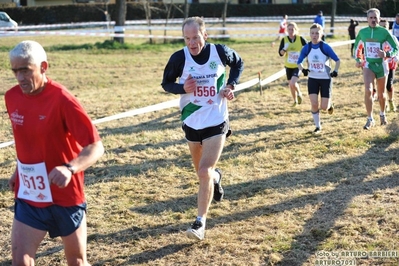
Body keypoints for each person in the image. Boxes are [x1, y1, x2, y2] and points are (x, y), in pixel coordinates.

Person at [6, 40, 104, 265]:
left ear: (43, 67)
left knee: (77, 262)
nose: (20, 78)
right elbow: (27, 140)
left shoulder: (62, 99)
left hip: (64, 194)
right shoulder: (11, 97)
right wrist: (18, 170)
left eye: (25, 70)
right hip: (29, 192)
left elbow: (96, 146)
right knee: (20, 260)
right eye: (15, 71)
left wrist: (70, 168)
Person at [161, 16, 244, 241]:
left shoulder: (220, 52)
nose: (192, 43)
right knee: (202, 172)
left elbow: (238, 63)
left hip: (216, 120)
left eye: (195, 37)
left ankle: (200, 223)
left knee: (202, 171)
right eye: (187, 38)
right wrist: (181, 87)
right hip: (191, 121)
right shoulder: (179, 58)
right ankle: (216, 177)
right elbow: (166, 83)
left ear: (204, 35)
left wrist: (230, 85)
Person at [353, 8, 399, 130]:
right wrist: (358, 60)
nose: (373, 20)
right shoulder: (363, 32)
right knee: (368, 90)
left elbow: (395, 48)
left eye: (375, 18)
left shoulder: (384, 32)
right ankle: (370, 119)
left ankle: (382, 114)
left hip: (382, 65)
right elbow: (357, 47)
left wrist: (386, 54)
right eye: (371, 18)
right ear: (367, 19)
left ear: (379, 19)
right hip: (368, 65)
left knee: (381, 94)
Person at [297, 23, 340, 134]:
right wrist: (303, 70)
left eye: (317, 33)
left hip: (325, 78)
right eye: (312, 33)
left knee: (324, 107)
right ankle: (317, 126)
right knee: (314, 104)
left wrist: (335, 71)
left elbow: (337, 60)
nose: (314, 35)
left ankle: (330, 105)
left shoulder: (325, 46)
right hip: (313, 79)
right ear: (310, 35)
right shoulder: (307, 47)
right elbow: (299, 61)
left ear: (321, 34)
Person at [278, 21, 307, 106]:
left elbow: (308, 47)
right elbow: (280, 54)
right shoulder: (284, 40)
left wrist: (304, 55)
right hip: (288, 65)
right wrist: (284, 49)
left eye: (293, 29)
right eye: (289, 29)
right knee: (291, 85)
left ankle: (299, 93)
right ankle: (295, 101)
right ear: (287, 30)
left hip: (298, 65)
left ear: (296, 30)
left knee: (292, 83)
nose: (291, 31)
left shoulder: (300, 38)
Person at [380, 19, 397, 112]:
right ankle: (384, 102)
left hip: (390, 64)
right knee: (381, 86)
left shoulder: (392, 38)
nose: (383, 28)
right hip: (380, 64)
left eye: (385, 26)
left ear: (388, 28)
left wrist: (396, 57)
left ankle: (391, 101)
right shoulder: (377, 38)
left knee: (389, 85)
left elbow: (397, 49)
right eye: (381, 26)